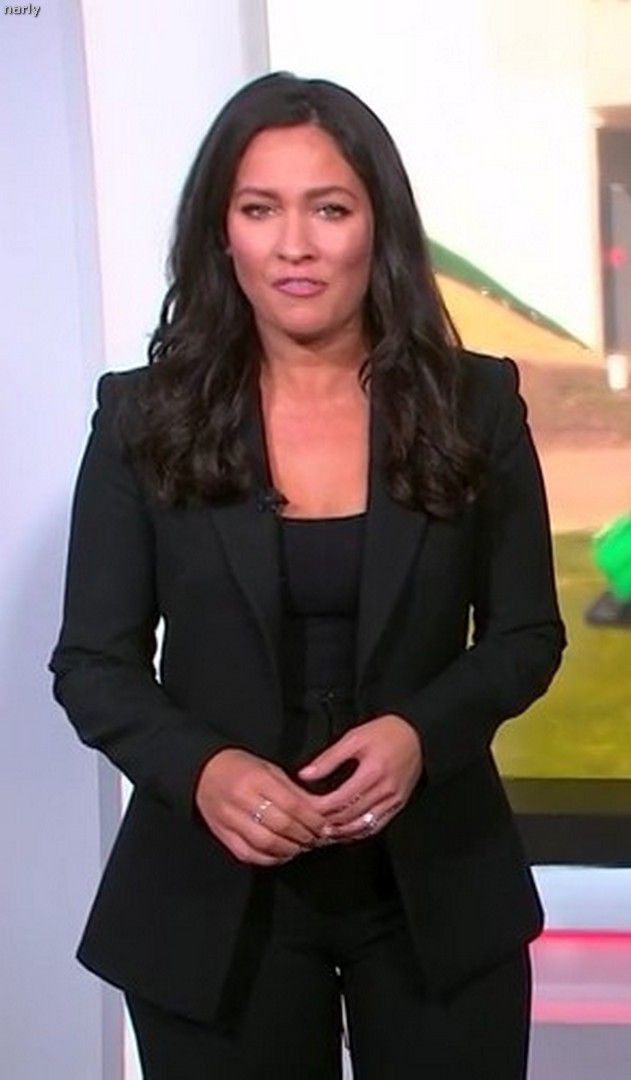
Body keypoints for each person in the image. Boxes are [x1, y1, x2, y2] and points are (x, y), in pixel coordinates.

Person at [49, 73, 564, 1078]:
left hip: (434, 889)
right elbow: (93, 665)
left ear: (379, 227)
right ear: (221, 234)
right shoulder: (142, 419)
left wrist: (421, 737)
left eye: (328, 209)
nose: (295, 245)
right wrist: (206, 771)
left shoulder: (474, 405)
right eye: (260, 210)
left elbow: (524, 636)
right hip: (212, 900)